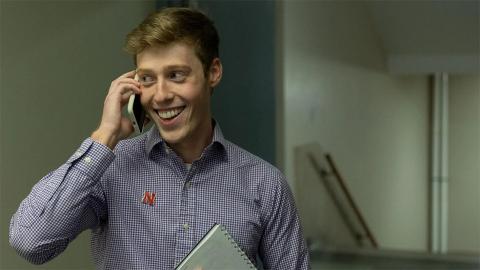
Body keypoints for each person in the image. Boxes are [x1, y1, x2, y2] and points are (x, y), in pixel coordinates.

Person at [9, 7, 310, 269]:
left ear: (213, 72)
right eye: (147, 79)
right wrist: (104, 136)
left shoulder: (265, 184)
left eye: (176, 75)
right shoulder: (111, 168)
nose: (161, 95)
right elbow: (31, 241)